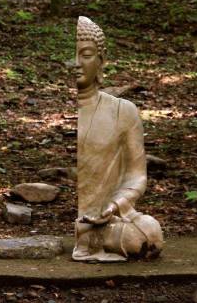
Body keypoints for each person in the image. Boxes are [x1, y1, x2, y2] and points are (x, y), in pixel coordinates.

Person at [73, 16, 163, 262]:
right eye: (72, 55)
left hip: (108, 218)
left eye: (86, 55)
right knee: (136, 240)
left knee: (150, 234)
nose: (76, 64)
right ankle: (87, 236)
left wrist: (113, 206)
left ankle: (94, 234)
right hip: (87, 223)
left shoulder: (123, 111)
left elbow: (137, 176)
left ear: (101, 61)